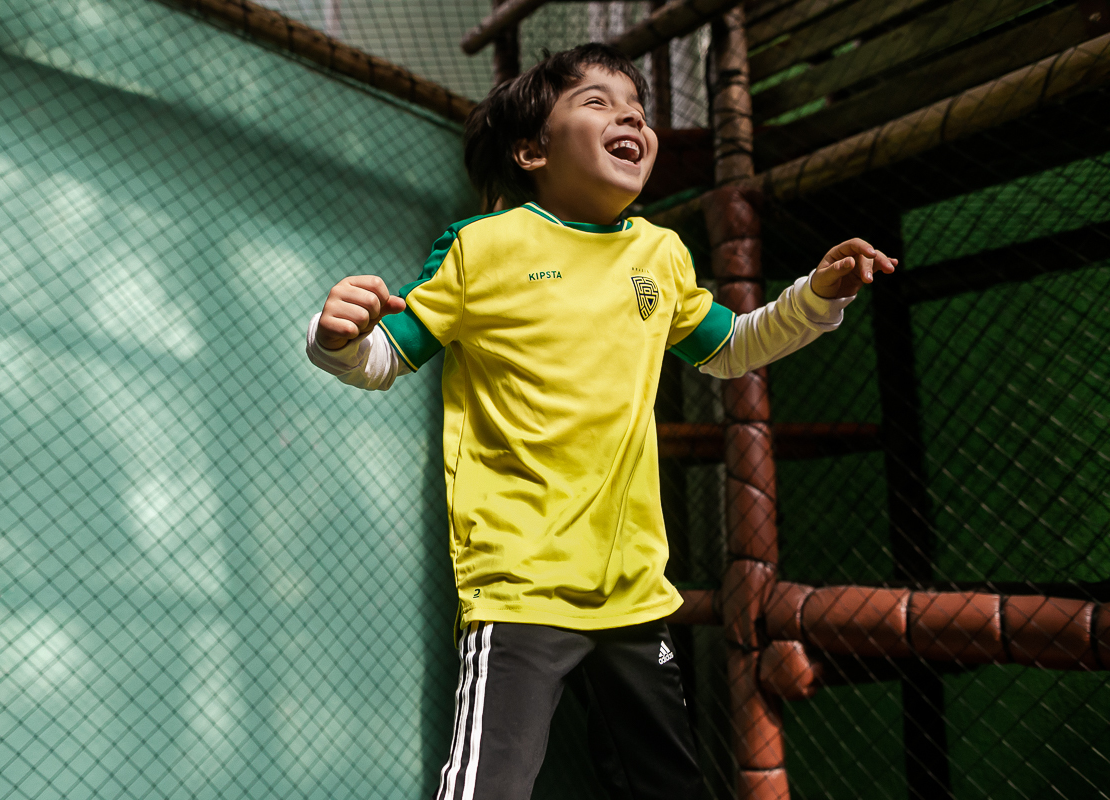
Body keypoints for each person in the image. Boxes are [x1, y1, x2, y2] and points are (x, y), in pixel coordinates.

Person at [306, 43, 895, 800]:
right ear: (530, 150)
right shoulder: (482, 247)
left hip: (633, 590)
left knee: (668, 786)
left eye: (638, 112)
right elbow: (387, 358)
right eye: (596, 102)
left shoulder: (660, 253)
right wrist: (339, 340)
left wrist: (816, 298)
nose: (630, 118)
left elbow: (731, 349)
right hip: (520, 583)